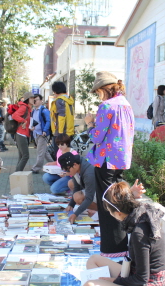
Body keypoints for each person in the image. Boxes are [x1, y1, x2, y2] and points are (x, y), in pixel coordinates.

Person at [73, 181, 165, 286]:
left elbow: (142, 278)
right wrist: (131, 193)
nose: (110, 215)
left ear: (118, 213)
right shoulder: (141, 212)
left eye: (110, 212)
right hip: (135, 274)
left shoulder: (139, 233)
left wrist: (114, 281)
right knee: (94, 259)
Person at [84, 71, 135, 257]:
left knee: (107, 204)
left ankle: (112, 249)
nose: (98, 96)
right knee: (118, 200)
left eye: (98, 92)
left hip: (106, 160)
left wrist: (89, 124)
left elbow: (97, 137)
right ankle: (121, 246)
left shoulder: (106, 106)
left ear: (104, 89)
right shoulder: (126, 104)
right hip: (120, 159)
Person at [58, 152, 97, 223]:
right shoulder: (76, 167)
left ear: (75, 165)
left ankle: (100, 209)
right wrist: (71, 205)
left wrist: (76, 214)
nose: (67, 172)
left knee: (78, 197)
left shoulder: (89, 173)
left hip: (102, 193)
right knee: (71, 183)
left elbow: (89, 198)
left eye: (67, 170)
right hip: (92, 189)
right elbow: (76, 188)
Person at [50, 81, 75, 152]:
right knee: (67, 155)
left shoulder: (59, 101)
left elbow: (61, 117)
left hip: (61, 133)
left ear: (55, 91)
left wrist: (60, 134)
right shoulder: (68, 100)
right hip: (69, 132)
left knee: (59, 156)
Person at [30, 94, 53, 173]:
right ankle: (54, 164)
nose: (35, 101)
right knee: (44, 151)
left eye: (36, 99)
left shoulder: (44, 110)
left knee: (40, 151)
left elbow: (48, 121)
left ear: (41, 101)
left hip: (43, 134)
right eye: (34, 100)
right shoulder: (33, 111)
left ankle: (36, 168)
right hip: (36, 133)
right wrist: (32, 127)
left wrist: (45, 130)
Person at [12, 92, 33, 171]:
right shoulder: (24, 107)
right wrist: (23, 121)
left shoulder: (27, 108)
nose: (33, 99)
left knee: (22, 156)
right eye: (31, 98)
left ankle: (17, 175)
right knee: (25, 156)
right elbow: (15, 115)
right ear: (28, 99)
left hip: (22, 134)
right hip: (21, 134)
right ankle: (17, 174)